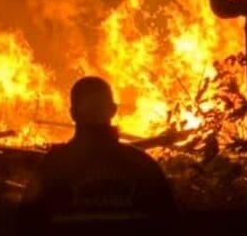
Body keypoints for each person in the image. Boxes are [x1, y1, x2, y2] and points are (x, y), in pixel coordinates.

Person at [19, 77, 177, 235]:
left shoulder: (53, 166)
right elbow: (168, 222)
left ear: (72, 114)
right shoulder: (142, 165)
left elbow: (27, 223)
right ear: (113, 110)